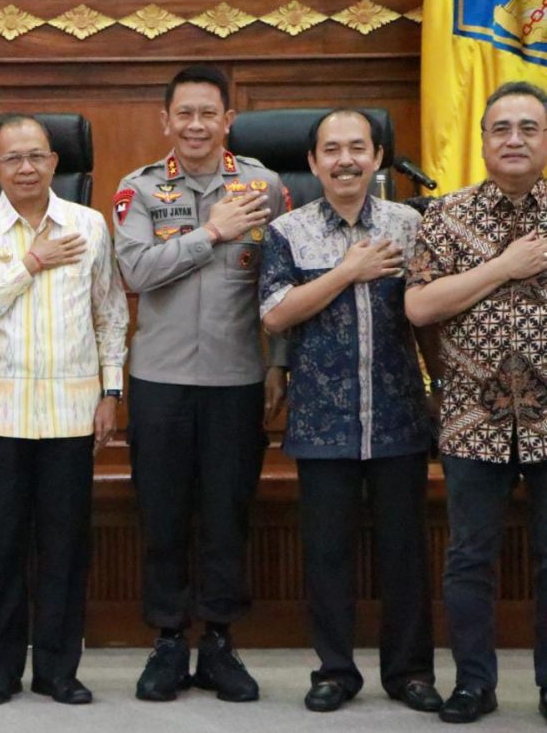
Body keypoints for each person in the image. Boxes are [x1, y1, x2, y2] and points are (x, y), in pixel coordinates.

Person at [113, 64, 288, 703]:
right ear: (166, 121)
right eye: (183, 113)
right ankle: (166, 639)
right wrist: (211, 232)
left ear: (227, 121)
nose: (195, 125)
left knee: (225, 513)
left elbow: (284, 282)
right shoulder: (139, 191)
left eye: (207, 113)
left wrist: (280, 364)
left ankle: (218, 639)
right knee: (161, 513)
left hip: (238, 376)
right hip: (159, 379)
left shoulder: (264, 186)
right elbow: (134, 271)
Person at [259, 109, 443, 713]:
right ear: (312, 162)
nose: (345, 159)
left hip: (397, 416)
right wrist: (348, 271)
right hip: (322, 421)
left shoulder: (408, 225)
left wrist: (442, 387)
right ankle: (334, 670)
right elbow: (275, 315)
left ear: (378, 156)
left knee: (404, 553)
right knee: (328, 554)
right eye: (331, 149)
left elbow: (428, 321)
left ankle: (410, 672)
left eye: (357, 148)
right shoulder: (288, 230)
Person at [0, 114, 128, 706]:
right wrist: (31, 263)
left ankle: (58, 669)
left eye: (37, 156)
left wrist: (112, 390)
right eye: (12, 159)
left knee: (64, 545)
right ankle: (0, 669)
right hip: (1, 413)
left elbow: (109, 312)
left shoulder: (89, 225)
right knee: (3, 545)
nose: (26, 168)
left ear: (57, 163)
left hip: (72, 411)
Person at [406, 81, 547, 725]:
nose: (514, 139)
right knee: (469, 557)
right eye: (501, 129)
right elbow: (420, 306)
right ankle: (473, 685)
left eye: (528, 128)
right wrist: (505, 266)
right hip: (471, 418)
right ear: (483, 139)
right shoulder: (445, 215)